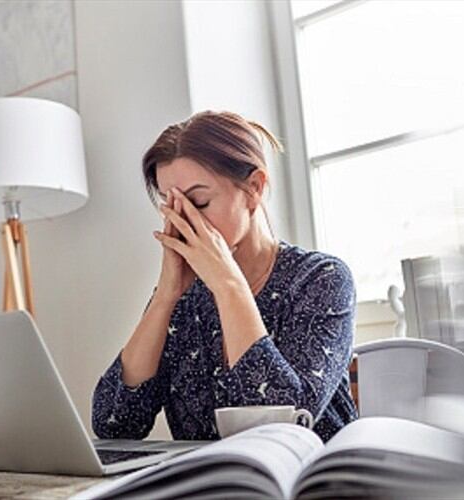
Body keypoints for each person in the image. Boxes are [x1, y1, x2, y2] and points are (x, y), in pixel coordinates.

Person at [92, 111, 357, 443]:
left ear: (254, 188)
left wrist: (228, 285)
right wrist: (164, 297)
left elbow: (285, 421)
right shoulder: (182, 298)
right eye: (171, 207)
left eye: (199, 202)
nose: (184, 222)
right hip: (209, 474)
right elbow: (113, 425)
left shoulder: (322, 279)